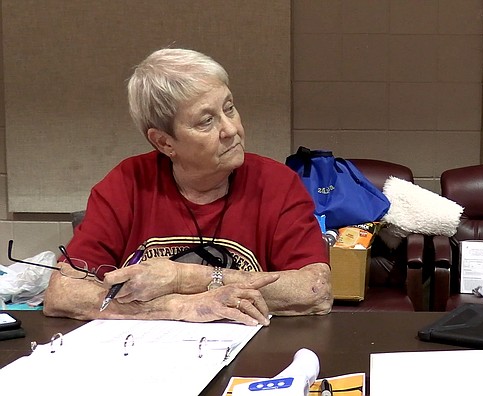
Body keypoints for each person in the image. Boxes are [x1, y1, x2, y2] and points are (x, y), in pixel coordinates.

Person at [43, 48, 332, 325]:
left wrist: (183, 278)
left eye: (229, 109)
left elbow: (314, 290)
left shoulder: (276, 183)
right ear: (164, 143)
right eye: (206, 121)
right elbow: (62, 292)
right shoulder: (127, 184)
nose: (231, 130)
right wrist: (177, 306)